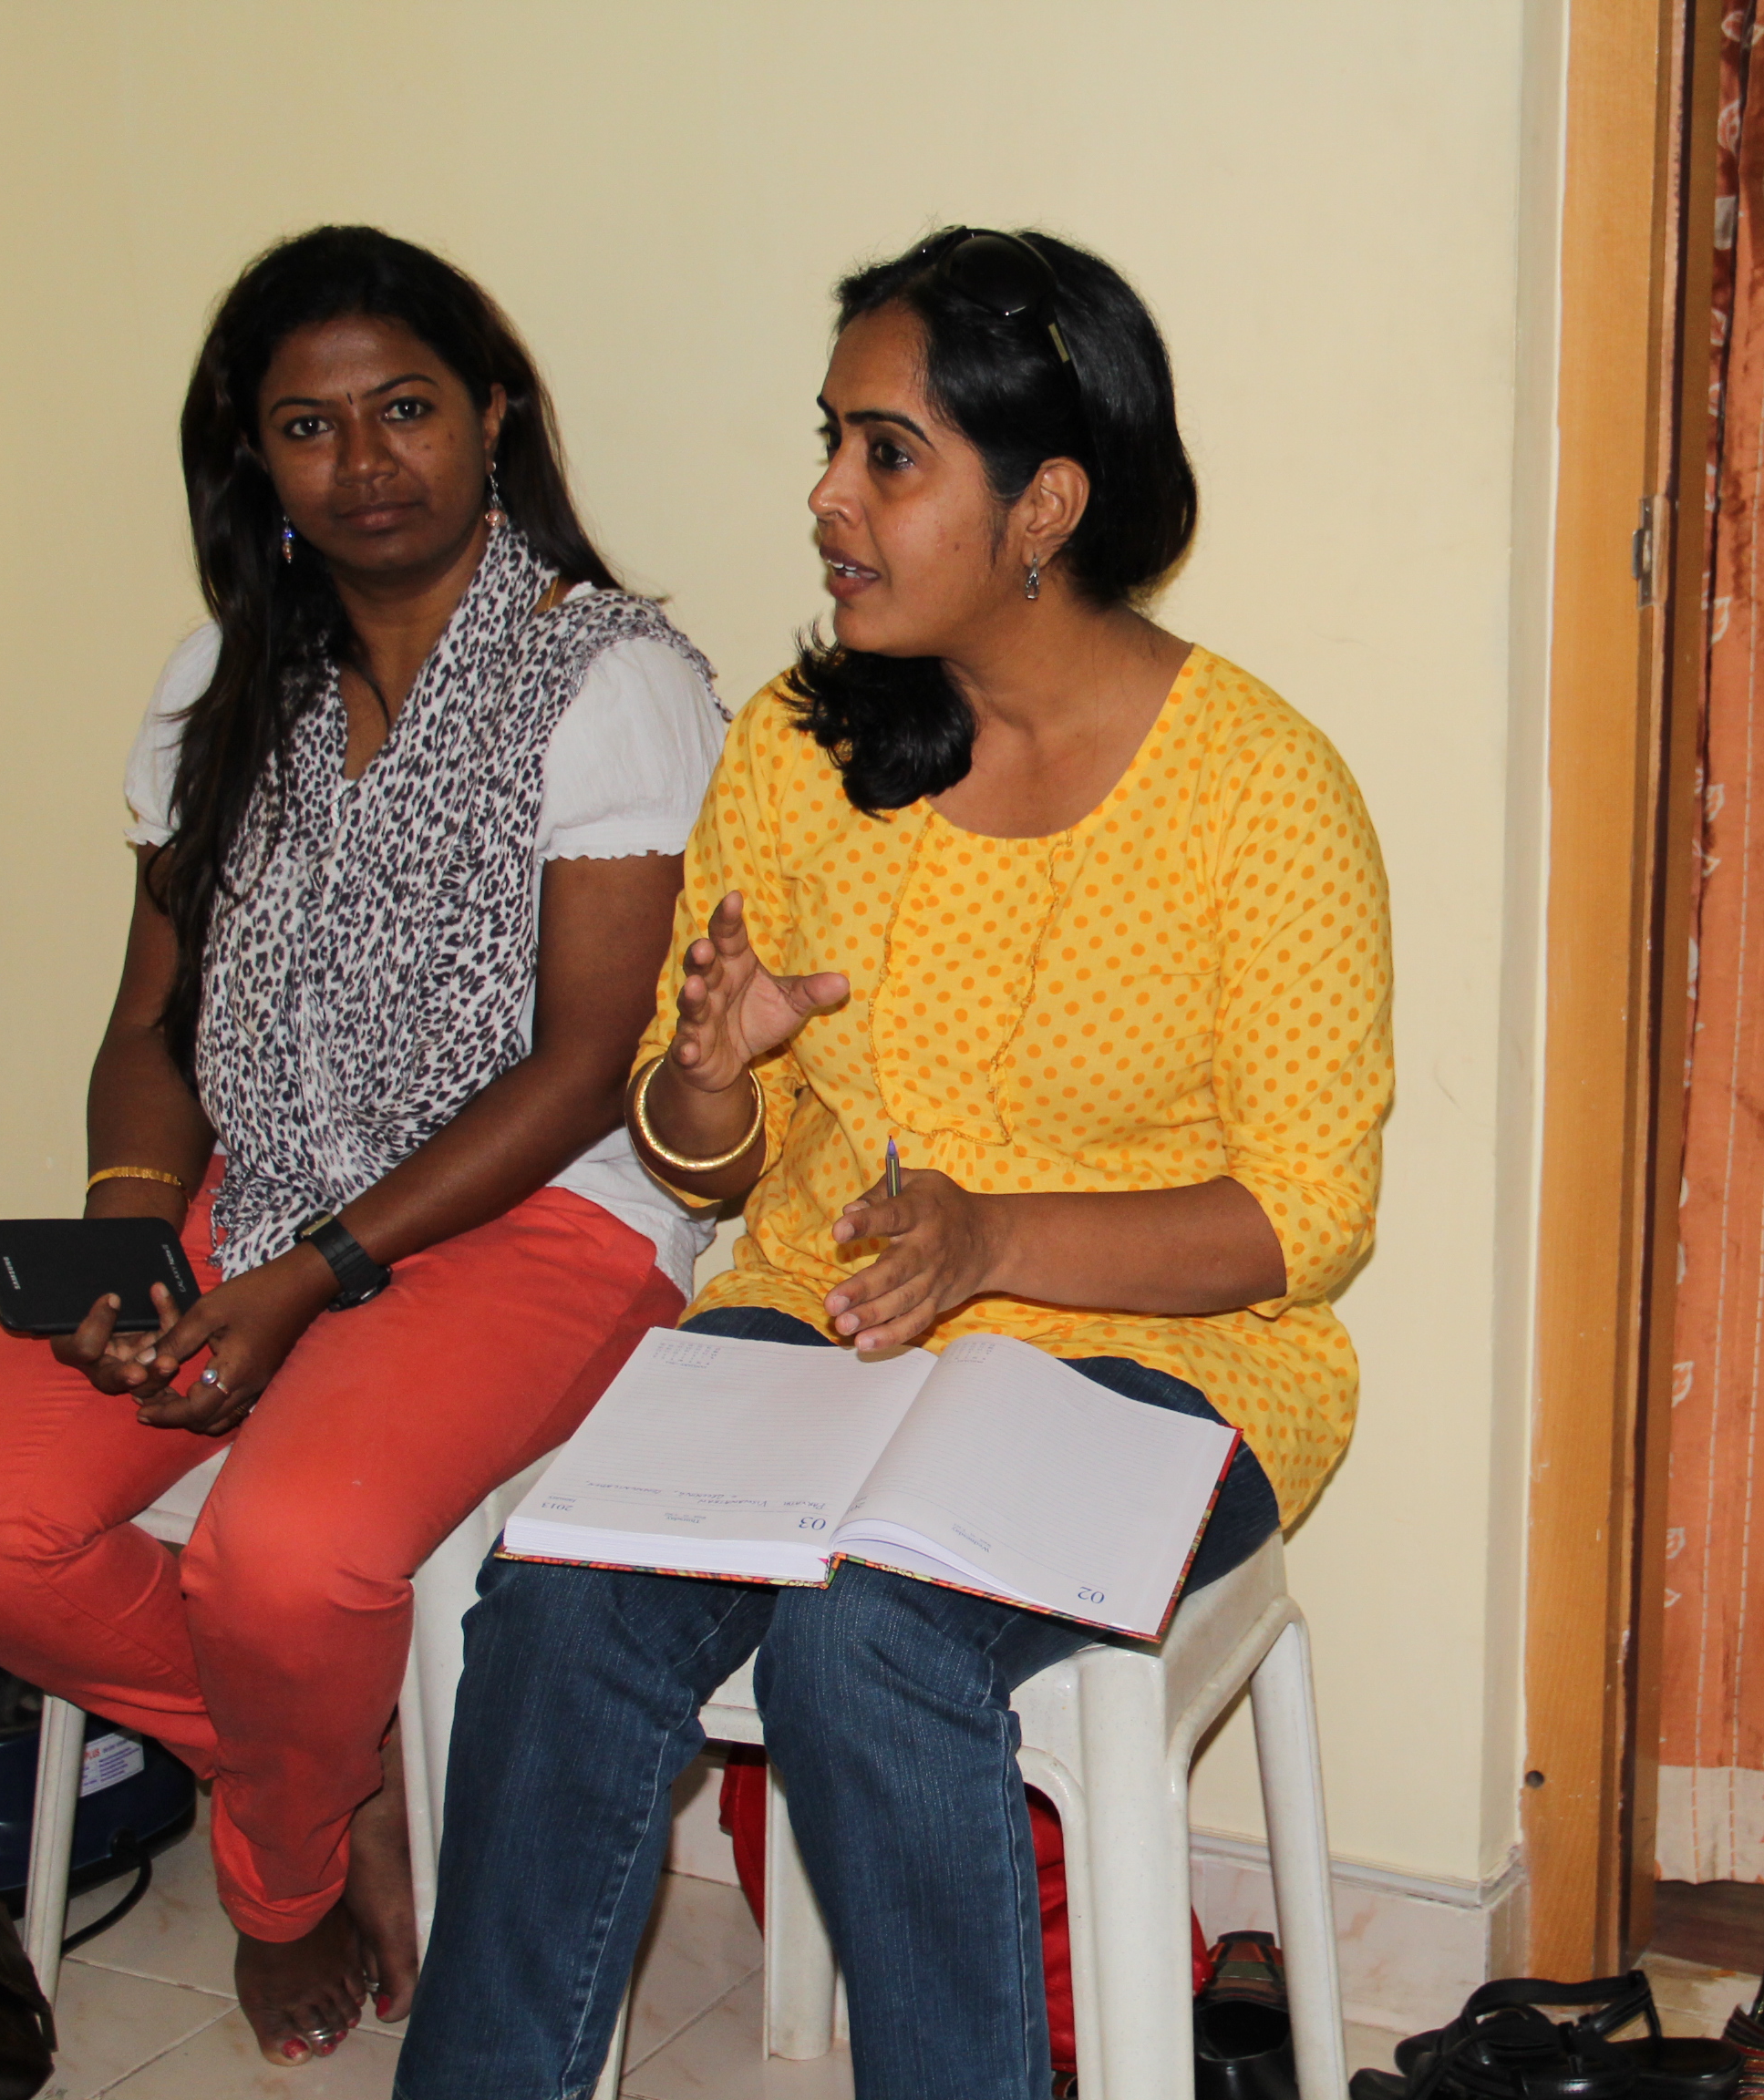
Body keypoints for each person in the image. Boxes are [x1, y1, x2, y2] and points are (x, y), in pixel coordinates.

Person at [396, 228, 1393, 2100]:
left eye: (888, 454)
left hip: (1172, 1362)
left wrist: (992, 1236)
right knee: (559, 1593)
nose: (827, 497)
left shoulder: (1262, 789)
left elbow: (1303, 1221)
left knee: (868, 1646)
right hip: (820, 1318)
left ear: (1045, 506)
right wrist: (706, 1076)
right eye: (832, 442)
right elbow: (707, 1162)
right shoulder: (802, 746)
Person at [0, 226, 727, 2064]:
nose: (365, 462)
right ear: (252, 459)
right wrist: (133, 1236)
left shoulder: (608, 679)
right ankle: (328, 1771)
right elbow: (150, 1028)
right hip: (247, 1195)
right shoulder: (219, 683)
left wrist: (309, 1276)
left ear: (493, 414)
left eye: (406, 408)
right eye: (309, 426)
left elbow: (589, 1069)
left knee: (287, 1554)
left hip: (539, 1221)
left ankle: (280, 1871)